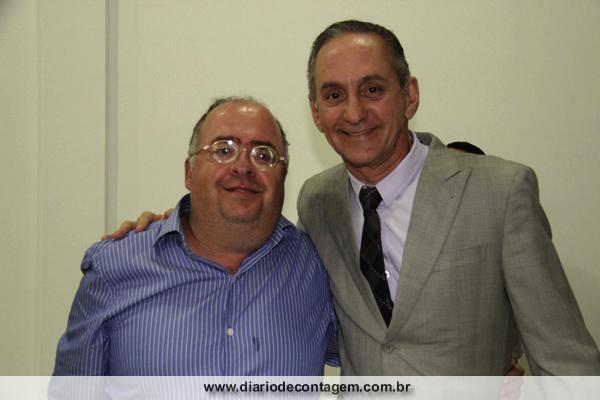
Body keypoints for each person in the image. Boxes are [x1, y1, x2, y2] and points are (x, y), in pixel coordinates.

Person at [107, 21, 600, 375]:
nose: (355, 112)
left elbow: (566, 359)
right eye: (334, 95)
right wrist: (176, 224)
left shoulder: (501, 191)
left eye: (373, 89)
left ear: (409, 95)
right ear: (316, 113)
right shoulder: (315, 201)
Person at [54, 97, 338, 375]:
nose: (243, 167)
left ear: (283, 177)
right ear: (189, 172)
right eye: (223, 150)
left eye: (263, 155)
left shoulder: (317, 268)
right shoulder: (113, 268)